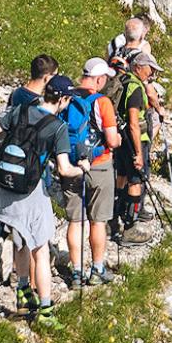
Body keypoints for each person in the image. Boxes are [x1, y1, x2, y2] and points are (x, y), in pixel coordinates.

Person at [0, 75, 83, 316]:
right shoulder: (57, 127)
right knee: (41, 248)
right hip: (30, 191)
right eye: (69, 100)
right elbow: (64, 169)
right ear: (64, 99)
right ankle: (46, 310)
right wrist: (83, 169)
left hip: (4, 189)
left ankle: (24, 294)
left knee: (20, 240)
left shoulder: (19, 110)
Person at [61, 58, 120, 286]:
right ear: (99, 79)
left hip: (71, 164)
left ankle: (76, 272)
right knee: (98, 221)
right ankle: (97, 269)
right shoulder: (102, 102)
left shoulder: (67, 96)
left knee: (75, 221)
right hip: (99, 165)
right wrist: (119, 140)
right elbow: (112, 140)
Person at [114, 47, 160, 242]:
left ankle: (113, 217)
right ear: (139, 67)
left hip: (120, 138)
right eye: (150, 69)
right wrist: (139, 154)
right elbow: (134, 122)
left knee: (122, 175)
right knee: (136, 180)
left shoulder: (123, 81)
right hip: (135, 139)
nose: (152, 73)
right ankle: (130, 227)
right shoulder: (136, 88)